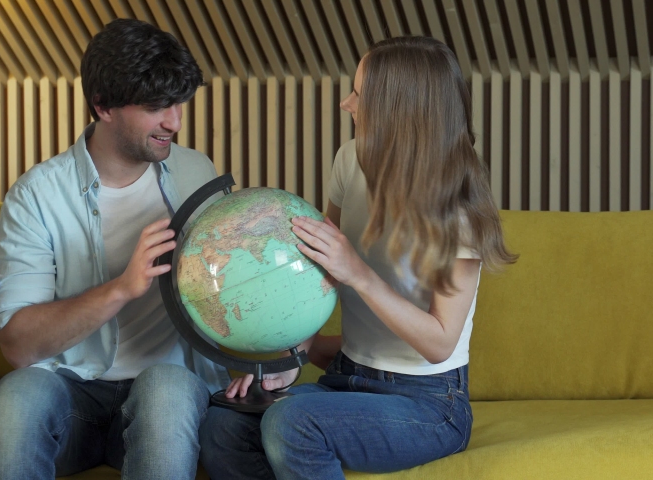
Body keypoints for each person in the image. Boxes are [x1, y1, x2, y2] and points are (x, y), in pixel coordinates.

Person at [200, 36, 518, 479]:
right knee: (224, 424)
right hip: (348, 374)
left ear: (396, 110)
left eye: (359, 95)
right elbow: (317, 270)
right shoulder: (350, 160)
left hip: (427, 403)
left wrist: (359, 274)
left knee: (291, 423)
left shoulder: (458, 207)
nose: (345, 103)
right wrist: (296, 354)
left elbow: (439, 343)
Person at [0, 18, 230, 480]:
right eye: (157, 106)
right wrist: (121, 288)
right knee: (18, 395)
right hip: (70, 393)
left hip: (161, 393)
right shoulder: (37, 194)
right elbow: (18, 346)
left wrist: (271, 362)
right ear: (103, 106)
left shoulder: (198, 173)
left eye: (178, 103)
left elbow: (233, 292)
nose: (173, 122)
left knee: (169, 386)